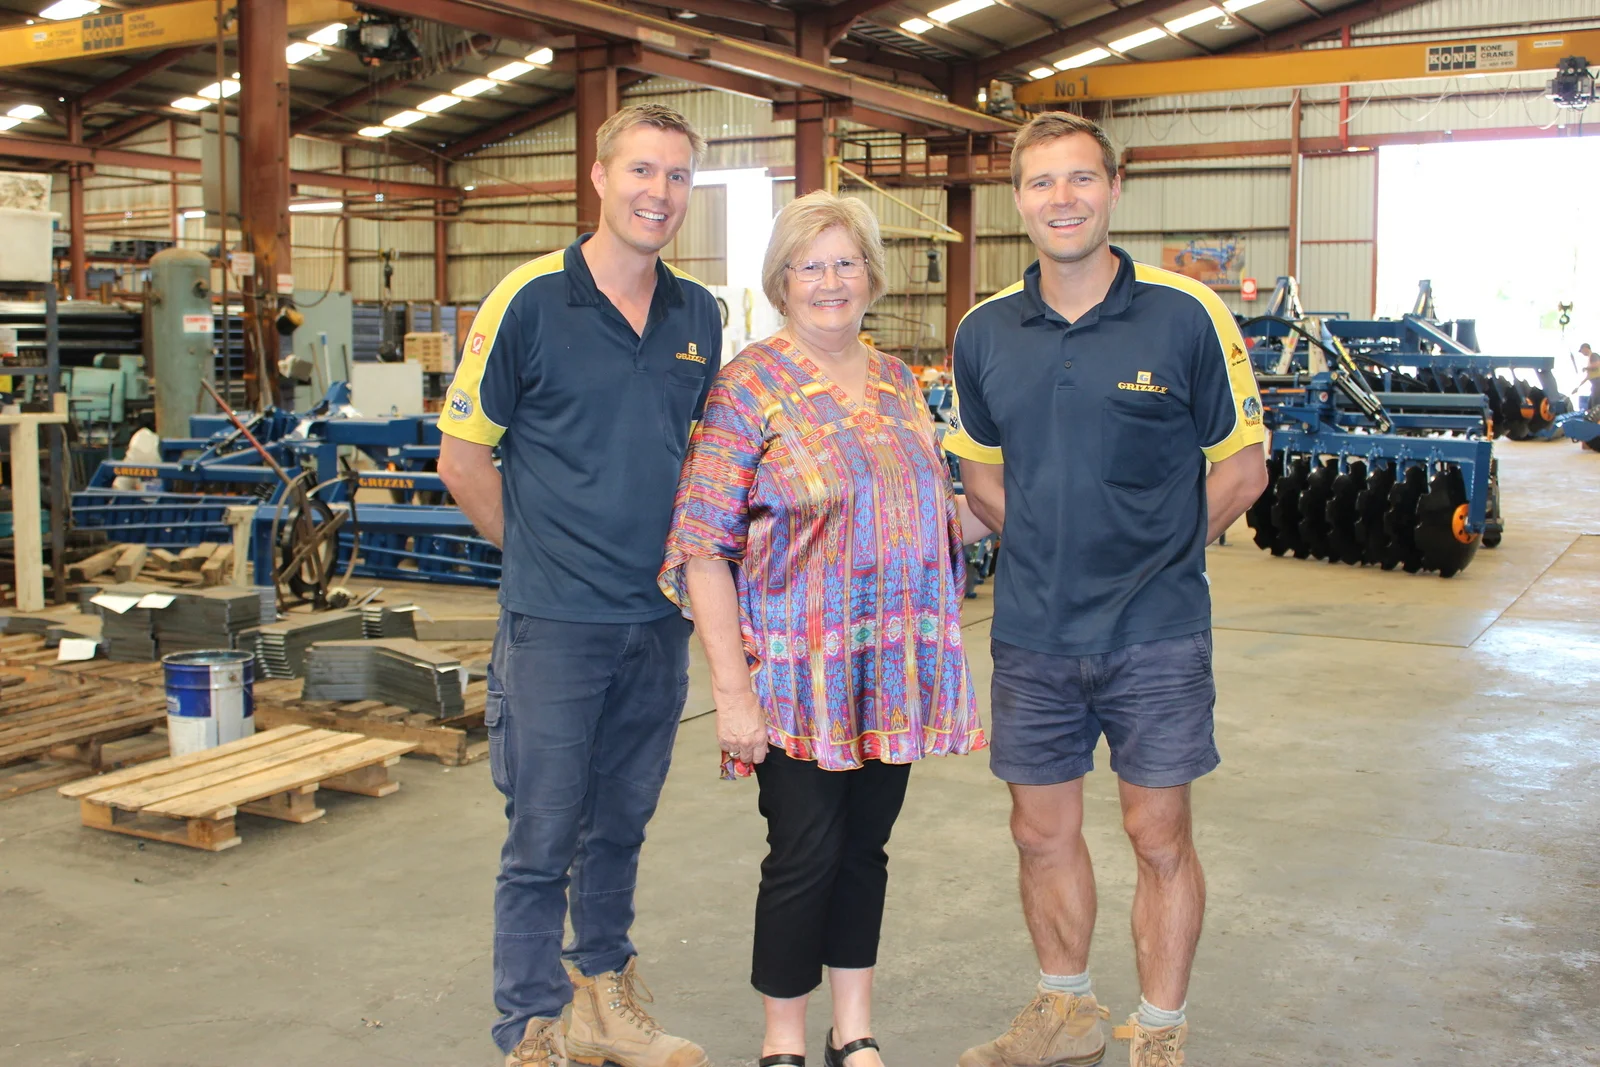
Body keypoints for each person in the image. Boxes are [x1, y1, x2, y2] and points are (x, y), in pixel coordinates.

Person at [945, 112, 1268, 1067]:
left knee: (1156, 829)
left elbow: (1243, 469)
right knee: (1039, 831)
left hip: (1156, 630)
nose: (1063, 200)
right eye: (1042, 183)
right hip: (1034, 631)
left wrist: (1154, 557)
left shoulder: (1186, 315)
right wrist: (1046, 547)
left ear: (1114, 189)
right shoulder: (984, 332)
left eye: (1080, 179)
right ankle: (1066, 1009)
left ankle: (1159, 1028)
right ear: (1017, 201)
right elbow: (981, 478)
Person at [658, 190, 990, 1067]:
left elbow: (932, 507)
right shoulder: (749, 386)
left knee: (866, 850)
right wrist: (732, 694)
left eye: (847, 263)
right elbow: (701, 546)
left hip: (890, 668)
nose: (831, 281)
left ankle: (856, 1030)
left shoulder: (899, 380)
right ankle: (783, 1041)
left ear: (873, 277)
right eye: (811, 265)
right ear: (781, 280)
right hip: (793, 680)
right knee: (803, 853)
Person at [437, 103, 722, 1067]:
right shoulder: (528, 299)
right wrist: (540, 558)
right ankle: (530, 1026)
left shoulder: (698, 314)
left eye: (678, 176)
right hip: (555, 624)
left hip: (656, 620)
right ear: (599, 177)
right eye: (642, 171)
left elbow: (700, 460)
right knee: (542, 833)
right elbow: (463, 457)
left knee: (621, 824)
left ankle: (603, 997)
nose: (659, 192)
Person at [1580, 343, 1599, 411]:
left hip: (1598, 382)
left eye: (1581, 351)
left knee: (1595, 405)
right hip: (1594, 383)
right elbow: (1588, 377)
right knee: (1590, 404)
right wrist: (1578, 387)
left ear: (1585, 348)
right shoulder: (1589, 359)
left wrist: (1586, 368)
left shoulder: (1593, 355)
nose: (1582, 353)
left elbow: (1597, 364)